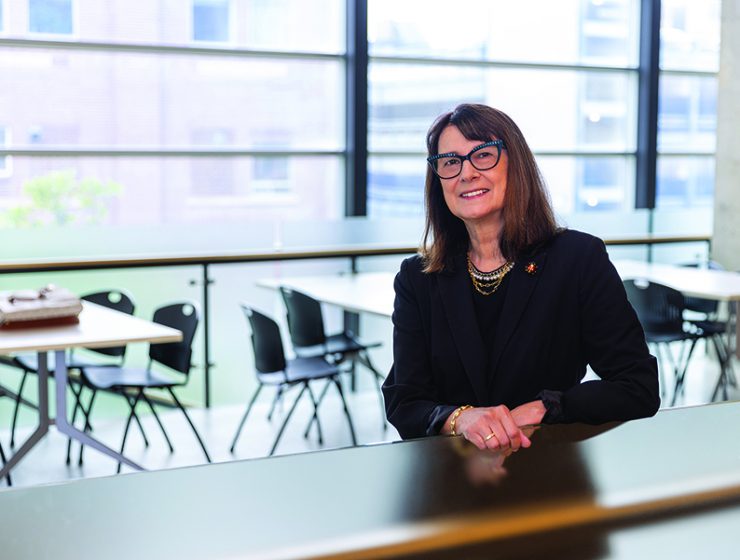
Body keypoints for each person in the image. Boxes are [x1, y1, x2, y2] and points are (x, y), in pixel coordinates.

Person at [382, 103, 660, 451]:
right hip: (448, 478)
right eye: (451, 162)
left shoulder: (577, 259)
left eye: (483, 155)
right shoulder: (417, 278)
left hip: (550, 470)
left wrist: (547, 408)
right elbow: (404, 403)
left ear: (516, 165)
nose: (466, 173)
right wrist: (460, 418)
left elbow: (638, 386)